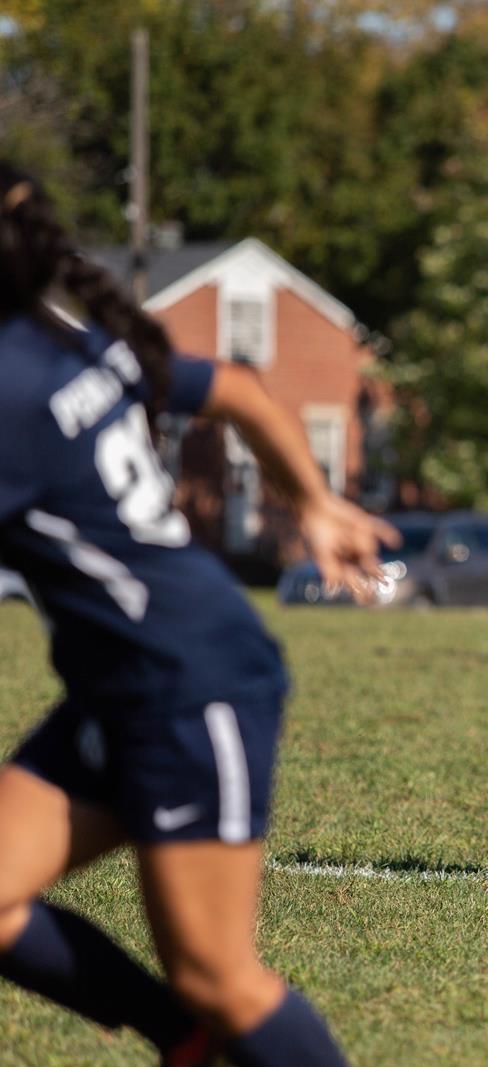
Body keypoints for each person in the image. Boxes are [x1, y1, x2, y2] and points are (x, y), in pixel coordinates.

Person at [0, 164, 397, 1066]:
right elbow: (242, 389)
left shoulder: (11, 389)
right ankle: (186, 1043)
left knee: (219, 974)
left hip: (189, 681)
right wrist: (316, 500)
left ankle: (197, 1024)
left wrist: (315, 504)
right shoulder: (62, 343)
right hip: (131, 677)